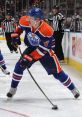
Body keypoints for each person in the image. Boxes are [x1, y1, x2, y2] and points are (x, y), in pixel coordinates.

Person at [7, 7, 80, 99]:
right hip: (31, 48)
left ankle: (73, 89)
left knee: (57, 73)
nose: (28, 19)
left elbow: (43, 50)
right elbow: (19, 28)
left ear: (38, 20)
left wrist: (29, 58)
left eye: (31, 18)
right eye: (28, 16)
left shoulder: (47, 30)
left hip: (45, 52)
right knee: (19, 67)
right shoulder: (25, 20)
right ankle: (13, 88)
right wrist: (15, 36)